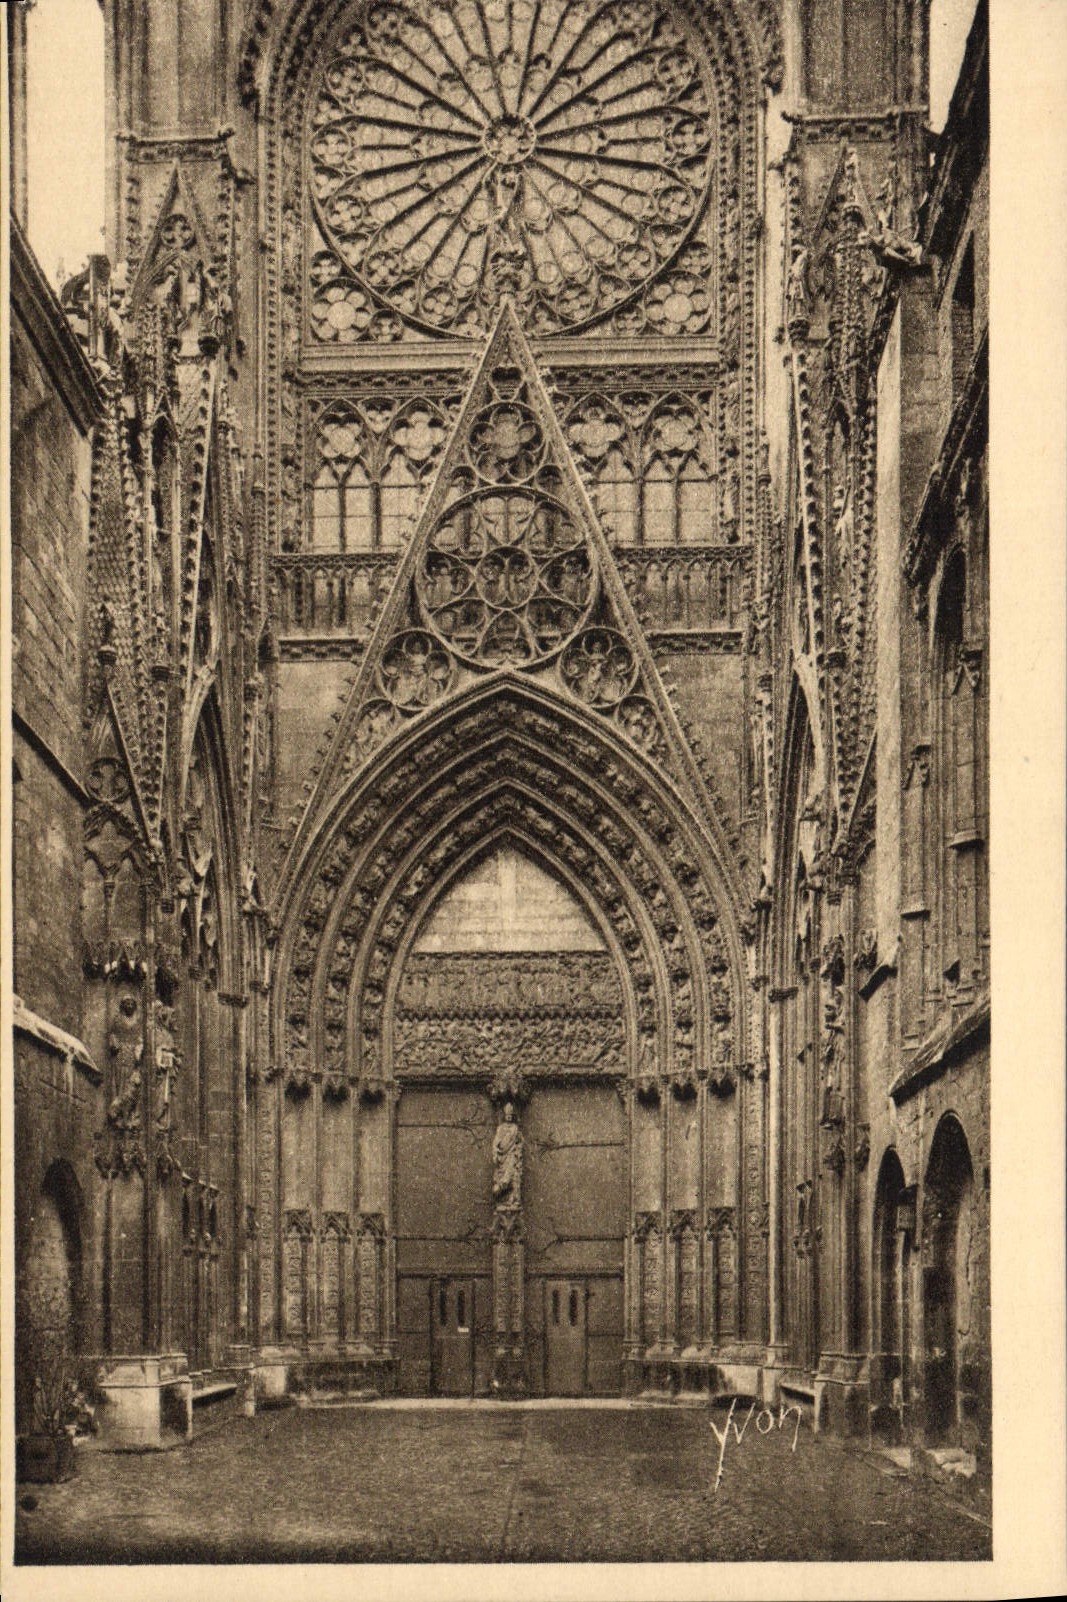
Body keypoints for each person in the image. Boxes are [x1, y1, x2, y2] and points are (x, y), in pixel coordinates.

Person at [492, 1102, 523, 1207]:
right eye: (507, 1116)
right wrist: (496, 1152)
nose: (509, 1117)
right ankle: (502, 1192)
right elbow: (496, 1141)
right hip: (502, 1155)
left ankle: (508, 1193)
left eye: (510, 1116)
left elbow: (519, 1141)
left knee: (511, 1174)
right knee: (503, 1173)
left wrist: (517, 1149)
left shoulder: (515, 1128)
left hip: (511, 1154)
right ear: (505, 1116)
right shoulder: (501, 1128)